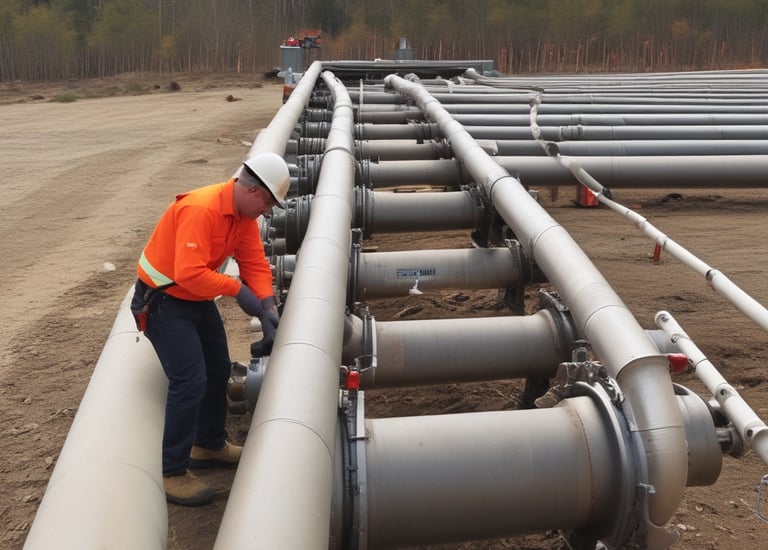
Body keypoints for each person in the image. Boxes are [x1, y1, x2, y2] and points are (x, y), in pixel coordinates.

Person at [131, 152, 290, 506]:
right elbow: (189, 273)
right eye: (267, 203)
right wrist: (238, 291)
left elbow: (254, 263)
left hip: (194, 299)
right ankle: (171, 472)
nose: (266, 212)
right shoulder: (202, 209)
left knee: (218, 367)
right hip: (163, 302)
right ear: (253, 191)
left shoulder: (242, 217)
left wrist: (267, 305)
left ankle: (208, 444)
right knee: (189, 381)